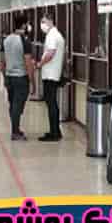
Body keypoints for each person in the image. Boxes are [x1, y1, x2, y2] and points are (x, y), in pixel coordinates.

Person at [0, 15, 34, 141]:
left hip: (9, 77)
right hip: (21, 78)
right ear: (24, 25)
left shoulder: (6, 39)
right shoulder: (25, 41)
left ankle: (16, 129)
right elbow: (28, 62)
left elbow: (2, 62)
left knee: (13, 104)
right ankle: (15, 132)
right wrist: (32, 81)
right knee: (18, 106)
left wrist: (5, 77)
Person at [36, 14, 65, 142]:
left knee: (51, 102)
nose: (42, 24)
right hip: (53, 73)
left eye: (44, 21)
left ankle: (54, 133)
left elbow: (51, 53)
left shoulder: (52, 35)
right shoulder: (56, 34)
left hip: (50, 74)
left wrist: (40, 64)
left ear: (51, 21)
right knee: (52, 102)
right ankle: (56, 130)